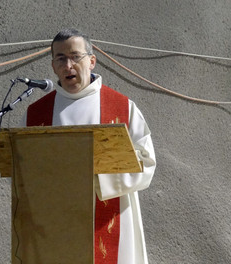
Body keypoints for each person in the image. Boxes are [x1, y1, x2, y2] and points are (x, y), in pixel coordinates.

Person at [22, 28, 156, 264]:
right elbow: (22, 168)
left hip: (107, 217)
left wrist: (95, 177)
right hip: (56, 221)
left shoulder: (122, 108)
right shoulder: (36, 113)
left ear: (91, 61)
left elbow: (146, 163)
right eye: (60, 58)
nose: (68, 65)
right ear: (53, 66)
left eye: (76, 56)